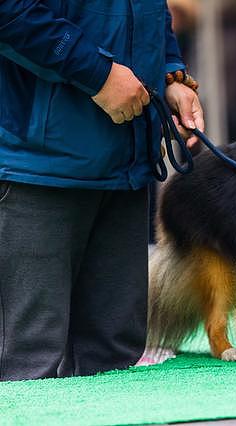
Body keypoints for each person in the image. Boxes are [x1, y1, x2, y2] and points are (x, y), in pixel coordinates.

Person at [0, 0, 204, 381]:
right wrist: (99, 74)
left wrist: (171, 76)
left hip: (124, 168)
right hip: (36, 170)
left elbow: (150, 11)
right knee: (27, 363)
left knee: (116, 362)